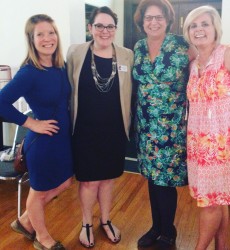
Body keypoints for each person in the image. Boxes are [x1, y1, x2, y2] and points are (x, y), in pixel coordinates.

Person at [0, 14, 73, 250]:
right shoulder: (29, 71)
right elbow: (1, 102)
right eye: (39, 34)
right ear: (31, 39)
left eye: (51, 32)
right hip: (42, 142)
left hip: (61, 139)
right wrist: (30, 123)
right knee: (39, 191)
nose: (47, 38)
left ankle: (24, 221)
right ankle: (42, 237)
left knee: (64, 183)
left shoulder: (60, 65)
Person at [183, 5, 230, 250]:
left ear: (215, 28)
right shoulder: (194, 64)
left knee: (209, 203)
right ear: (187, 31)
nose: (199, 29)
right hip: (200, 146)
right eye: (193, 25)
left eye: (205, 24)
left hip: (225, 147)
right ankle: (222, 246)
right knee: (218, 199)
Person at [66, 6, 133, 248]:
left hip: (114, 130)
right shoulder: (75, 53)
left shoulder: (126, 55)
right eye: (99, 26)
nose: (105, 31)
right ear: (90, 28)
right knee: (89, 181)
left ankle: (105, 220)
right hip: (84, 130)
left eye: (110, 26)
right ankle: (86, 223)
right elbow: (66, 90)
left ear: (115, 29)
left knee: (108, 179)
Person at [132, 0, 196, 249]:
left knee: (165, 181)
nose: (153, 22)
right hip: (145, 126)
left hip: (170, 127)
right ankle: (155, 227)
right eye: (149, 17)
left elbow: (200, 69)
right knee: (151, 178)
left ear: (168, 20)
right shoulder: (138, 47)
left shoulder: (182, 45)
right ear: (142, 21)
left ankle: (168, 232)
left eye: (158, 17)